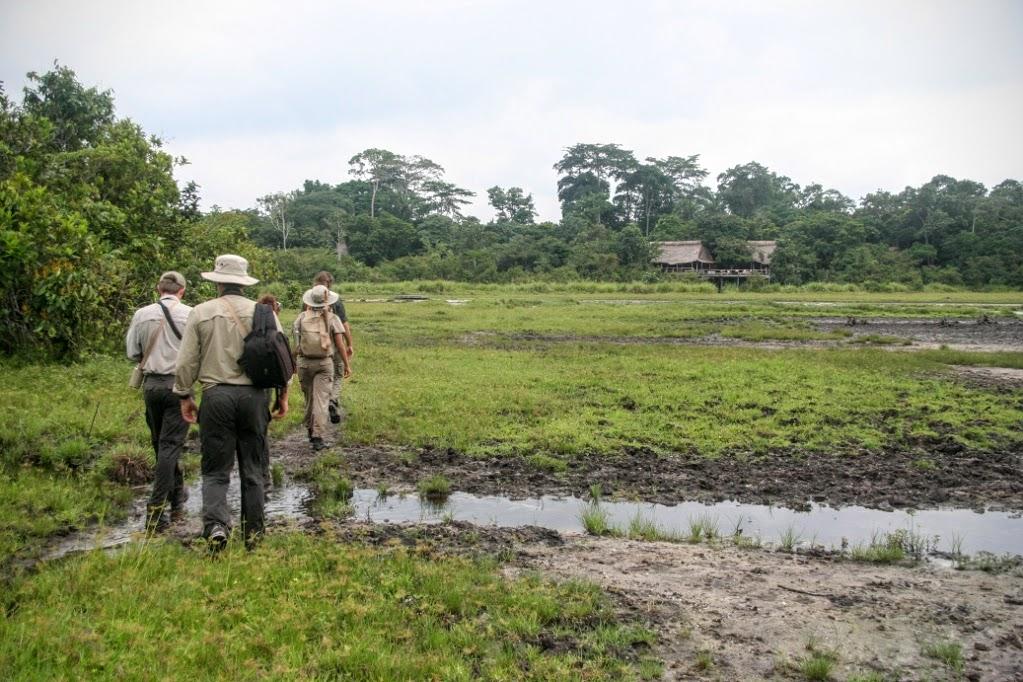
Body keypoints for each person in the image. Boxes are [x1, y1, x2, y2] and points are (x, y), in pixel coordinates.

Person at [173, 255, 288, 550]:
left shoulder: (200, 312)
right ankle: (254, 537)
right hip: (254, 398)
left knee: (215, 470)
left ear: (218, 282)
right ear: (244, 282)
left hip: (216, 397)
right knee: (253, 468)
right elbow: (282, 358)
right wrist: (282, 395)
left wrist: (185, 395)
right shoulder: (264, 313)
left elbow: (186, 361)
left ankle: (215, 527)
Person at [126, 271, 193, 532]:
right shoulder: (190, 314)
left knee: (161, 445)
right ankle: (155, 511)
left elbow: (133, 353)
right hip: (179, 385)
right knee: (169, 446)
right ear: (182, 291)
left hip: (152, 386)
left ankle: (177, 497)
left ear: (158, 289)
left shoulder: (141, 314)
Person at [293, 285, 349, 451]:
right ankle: (317, 437)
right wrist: (346, 364)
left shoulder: (301, 318)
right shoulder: (332, 318)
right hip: (324, 363)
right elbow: (339, 344)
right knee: (321, 400)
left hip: (304, 363)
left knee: (309, 399)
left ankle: (310, 431)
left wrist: (294, 363)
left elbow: (296, 345)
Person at [312, 271, 354, 425]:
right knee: (338, 372)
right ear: (329, 283)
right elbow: (344, 325)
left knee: (319, 376)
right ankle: (333, 399)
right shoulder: (335, 300)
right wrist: (349, 343)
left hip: (313, 346)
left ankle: (317, 408)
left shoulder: (308, 299)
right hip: (334, 345)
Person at [256, 293, 283, 499]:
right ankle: (263, 481)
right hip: (258, 386)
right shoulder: (269, 319)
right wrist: (283, 396)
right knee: (259, 435)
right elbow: (281, 357)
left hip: (219, 390)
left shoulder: (205, 311)